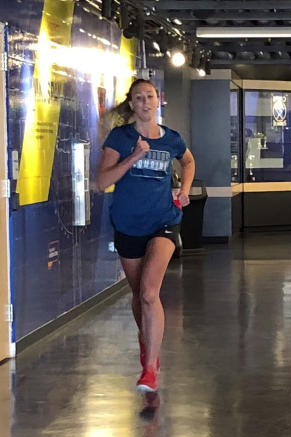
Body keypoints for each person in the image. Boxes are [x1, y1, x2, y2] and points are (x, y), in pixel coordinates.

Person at [96, 78, 195, 393]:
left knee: (151, 292)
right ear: (132, 104)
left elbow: (188, 161)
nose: (145, 102)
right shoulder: (120, 138)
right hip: (128, 224)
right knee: (139, 295)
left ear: (158, 100)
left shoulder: (172, 139)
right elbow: (102, 182)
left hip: (164, 219)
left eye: (150, 96)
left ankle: (150, 367)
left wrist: (184, 190)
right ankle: (146, 341)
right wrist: (133, 158)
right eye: (139, 98)